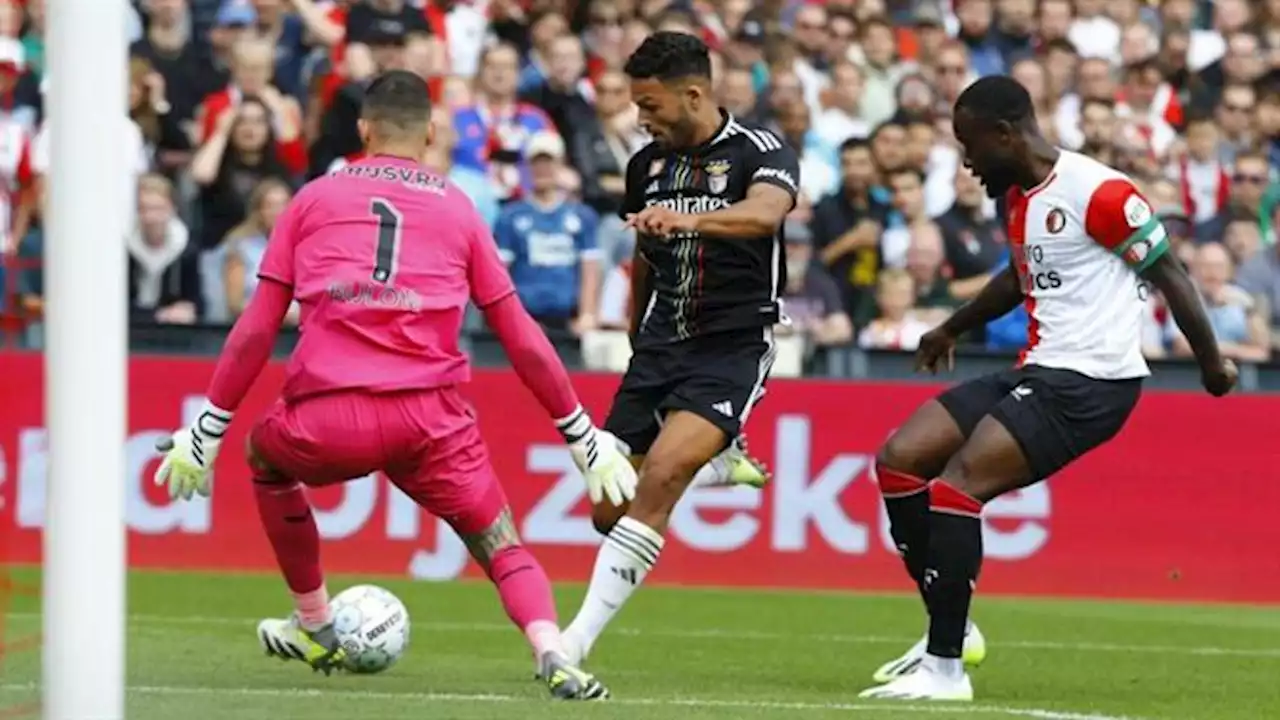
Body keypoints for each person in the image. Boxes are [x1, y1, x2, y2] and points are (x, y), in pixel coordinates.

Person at [150, 70, 633, 701]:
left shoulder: (314, 198)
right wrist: (580, 433)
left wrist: (209, 426)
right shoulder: (459, 207)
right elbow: (518, 332)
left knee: (263, 457)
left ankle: (315, 622)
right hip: (430, 422)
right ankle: (550, 646)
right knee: (498, 540)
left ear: (362, 130)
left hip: (328, 419)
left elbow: (257, 324)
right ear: (432, 133)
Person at [860, 76, 1237, 702]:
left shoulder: (1101, 192)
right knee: (900, 459)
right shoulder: (1018, 198)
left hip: (1092, 381)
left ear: (1005, 134)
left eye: (970, 144)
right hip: (1039, 368)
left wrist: (1213, 364)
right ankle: (951, 628)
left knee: (957, 487)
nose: (966, 161)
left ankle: (945, 671)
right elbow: (1019, 276)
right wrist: (949, 328)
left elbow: (1169, 271)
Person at [555, 32, 798, 668]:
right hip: (660, 346)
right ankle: (718, 464)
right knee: (610, 511)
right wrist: (636, 329)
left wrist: (690, 220)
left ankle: (571, 643)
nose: (642, 118)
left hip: (732, 345)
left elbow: (766, 215)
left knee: (661, 476)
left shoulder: (760, 152)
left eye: (651, 105)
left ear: (694, 94)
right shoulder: (646, 167)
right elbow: (643, 250)